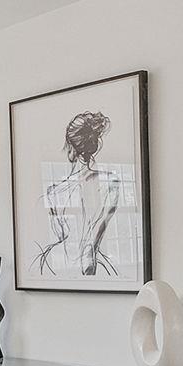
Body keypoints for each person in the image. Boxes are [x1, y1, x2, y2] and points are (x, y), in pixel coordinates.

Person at [34, 110, 124, 277]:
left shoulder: (53, 192)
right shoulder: (111, 183)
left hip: (57, 266)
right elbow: (95, 237)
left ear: (70, 147)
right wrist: (88, 254)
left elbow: (61, 235)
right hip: (84, 264)